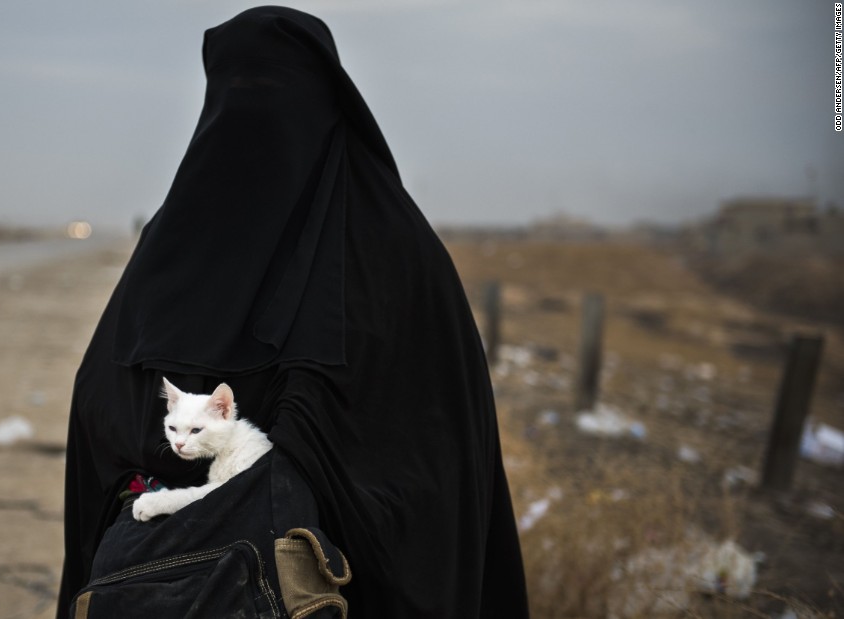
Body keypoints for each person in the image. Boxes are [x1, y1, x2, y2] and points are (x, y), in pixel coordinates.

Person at [56, 6, 529, 618]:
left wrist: (296, 459)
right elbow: (103, 406)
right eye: (236, 94)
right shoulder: (173, 246)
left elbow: (437, 445)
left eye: (276, 91)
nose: (254, 118)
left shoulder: (394, 251)